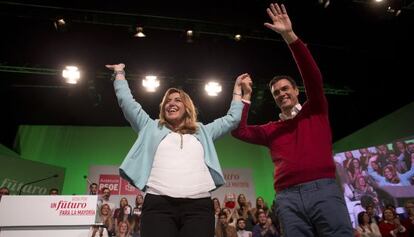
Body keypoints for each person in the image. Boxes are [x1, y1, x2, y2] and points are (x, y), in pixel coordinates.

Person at [231, 3, 353, 236]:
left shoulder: (315, 110)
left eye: (285, 89)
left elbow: (313, 76)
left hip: (324, 191)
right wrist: (243, 96)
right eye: (276, 93)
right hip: (287, 199)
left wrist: (289, 36)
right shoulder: (272, 130)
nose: (281, 94)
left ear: (296, 91)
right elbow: (239, 131)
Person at [105, 63, 247, 237]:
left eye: (177, 100)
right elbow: (128, 103)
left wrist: (239, 91)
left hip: (199, 208)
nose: (171, 104)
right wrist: (119, 74)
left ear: (187, 107)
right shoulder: (150, 127)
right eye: (167, 101)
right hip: (158, 205)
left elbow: (233, 119)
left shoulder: (203, 131)